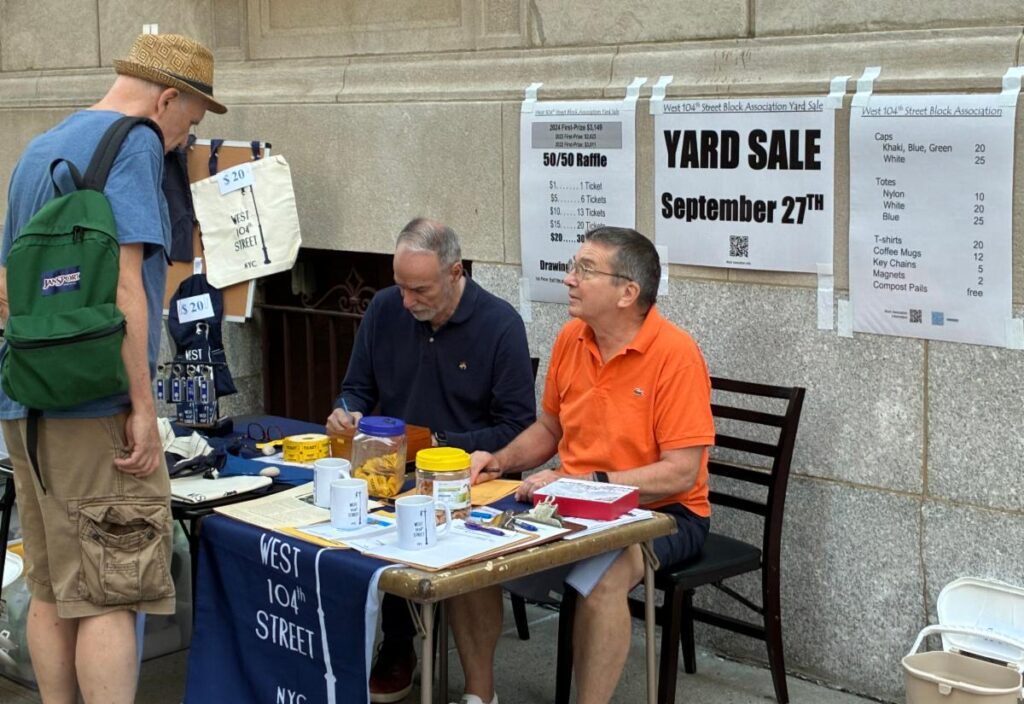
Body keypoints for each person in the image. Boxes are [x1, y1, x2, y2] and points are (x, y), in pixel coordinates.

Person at [0, 33, 224, 704]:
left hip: (25, 398)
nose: (184, 141)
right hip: (96, 407)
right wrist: (145, 411)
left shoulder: (42, 148)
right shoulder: (133, 145)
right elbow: (130, 290)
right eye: (188, 123)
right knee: (111, 588)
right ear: (165, 99)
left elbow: (9, 284)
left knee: (51, 586)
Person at [460, 226, 715, 704]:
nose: (569, 279)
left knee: (602, 579)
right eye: (573, 267)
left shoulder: (675, 355)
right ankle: (480, 696)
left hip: (665, 511)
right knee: (470, 552)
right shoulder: (572, 338)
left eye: (585, 269)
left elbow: (680, 472)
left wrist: (587, 483)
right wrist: (500, 460)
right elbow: (550, 430)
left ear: (628, 293)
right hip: (570, 499)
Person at [325, 217, 536, 703]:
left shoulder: (500, 324)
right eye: (400, 287)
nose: (407, 301)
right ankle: (393, 644)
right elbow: (358, 386)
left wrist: (441, 442)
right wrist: (347, 411)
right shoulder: (384, 309)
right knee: (337, 519)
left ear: (455, 272)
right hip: (392, 466)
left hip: (470, 471)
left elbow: (518, 425)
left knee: (449, 536)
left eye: (419, 290)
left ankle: (469, 679)